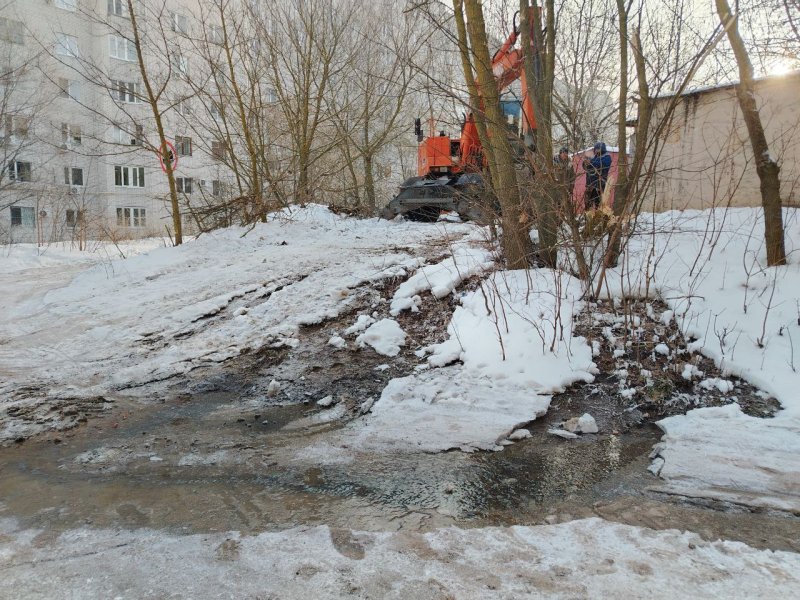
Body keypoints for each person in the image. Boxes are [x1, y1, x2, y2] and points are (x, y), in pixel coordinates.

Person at [583, 141, 612, 211]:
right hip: (590, 185)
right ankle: (587, 216)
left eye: (597, 149)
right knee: (588, 204)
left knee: (598, 205)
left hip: (599, 185)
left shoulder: (607, 157)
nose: (596, 151)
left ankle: (597, 216)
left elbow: (602, 164)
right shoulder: (594, 157)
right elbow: (586, 167)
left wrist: (591, 162)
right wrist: (586, 161)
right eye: (595, 149)